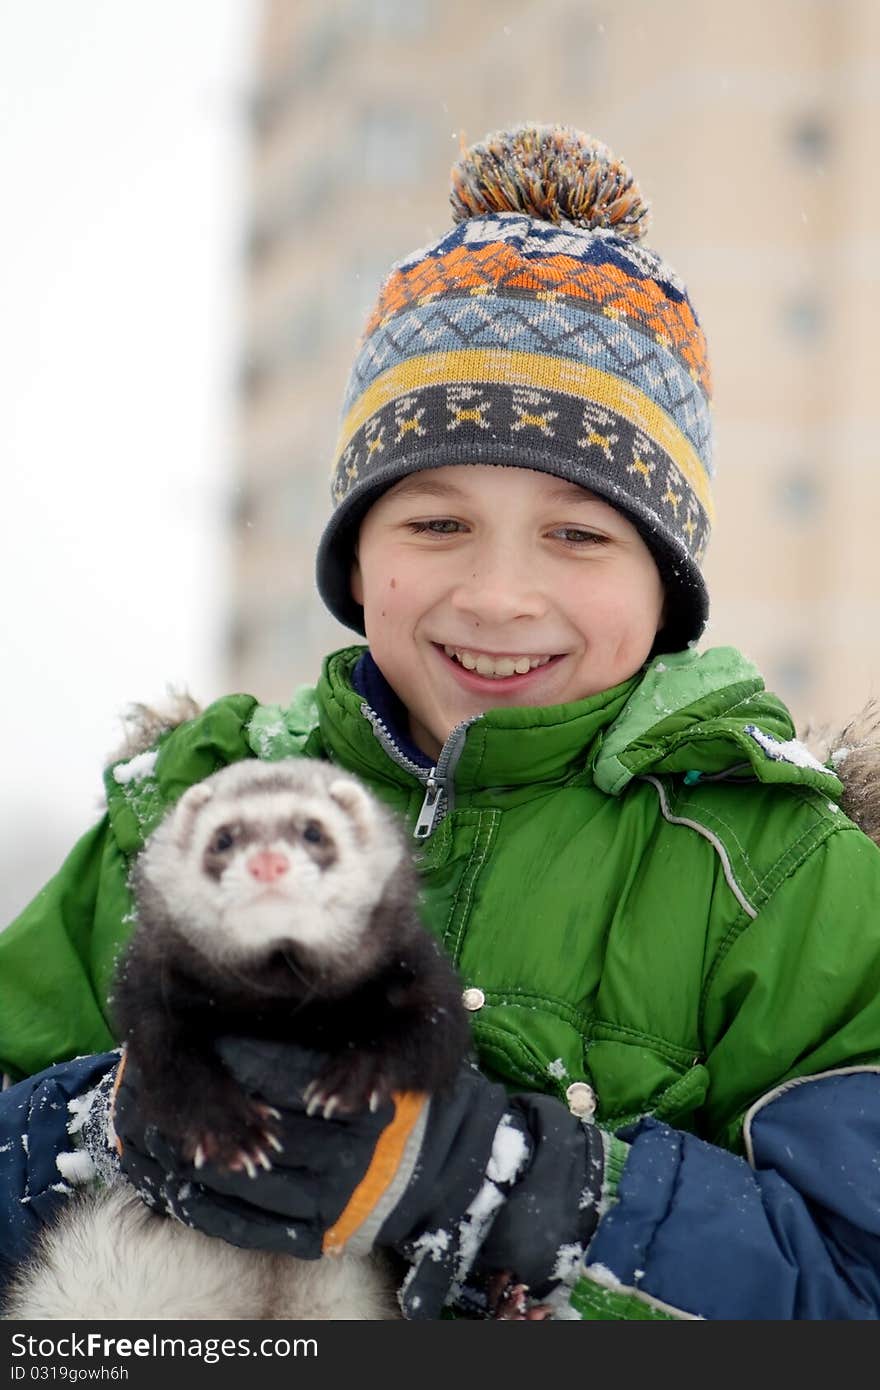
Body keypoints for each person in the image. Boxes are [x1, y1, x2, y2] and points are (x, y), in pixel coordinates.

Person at [2, 124, 880, 1322]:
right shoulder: (190, 815)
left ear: (664, 586)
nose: (498, 593)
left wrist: (506, 1185)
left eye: (578, 534)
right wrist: (97, 1120)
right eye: (435, 524)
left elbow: (851, 1285)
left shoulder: (784, 880)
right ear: (355, 557)